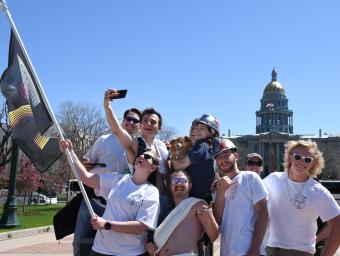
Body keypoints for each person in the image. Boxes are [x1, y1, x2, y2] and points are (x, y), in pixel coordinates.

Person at [59, 139, 160, 256]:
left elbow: (140, 227)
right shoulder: (117, 179)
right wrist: (70, 152)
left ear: (153, 168)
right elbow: (85, 177)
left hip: (130, 253)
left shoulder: (151, 192)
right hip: (100, 250)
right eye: (140, 154)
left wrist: (107, 225)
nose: (141, 156)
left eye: (147, 156)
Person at [73, 108, 141, 256]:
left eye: (135, 121)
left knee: (110, 246)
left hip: (118, 204)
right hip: (94, 198)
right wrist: (87, 164)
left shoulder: (138, 146)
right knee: (80, 240)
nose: (131, 122)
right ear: (122, 122)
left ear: (139, 125)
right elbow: (87, 161)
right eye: (128, 119)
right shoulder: (104, 140)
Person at [263, 139, 340, 256]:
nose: (302, 162)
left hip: (301, 252)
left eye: (308, 160)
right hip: (270, 249)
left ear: (313, 163)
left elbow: (337, 224)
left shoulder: (317, 191)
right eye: (298, 157)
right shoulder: (273, 179)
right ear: (290, 158)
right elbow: (251, 197)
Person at [104, 89, 168, 193]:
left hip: (165, 200)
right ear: (141, 125)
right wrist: (107, 106)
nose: (148, 124)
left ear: (159, 127)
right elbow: (118, 130)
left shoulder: (162, 146)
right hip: (142, 199)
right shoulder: (135, 143)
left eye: (153, 122)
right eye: (145, 121)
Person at [213, 138, 268, 256]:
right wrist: (221, 192)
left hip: (249, 251)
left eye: (226, 155)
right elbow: (217, 220)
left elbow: (263, 213)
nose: (223, 159)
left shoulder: (250, 177)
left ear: (236, 156)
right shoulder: (219, 185)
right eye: (219, 157)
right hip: (227, 252)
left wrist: (255, 247)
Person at [146, 170, 219, 256]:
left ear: (190, 185)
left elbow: (214, 235)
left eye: (183, 181)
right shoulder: (168, 213)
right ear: (170, 187)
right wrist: (151, 250)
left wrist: (210, 219)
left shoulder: (197, 204)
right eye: (175, 181)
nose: (179, 184)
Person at [172, 114, 220, 203]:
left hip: (196, 200)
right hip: (203, 198)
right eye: (196, 128)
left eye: (202, 128)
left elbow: (179, 166)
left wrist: (172, 151)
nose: (197, 130)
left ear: (211, 132)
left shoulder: (201, 146)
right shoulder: (207, 147)